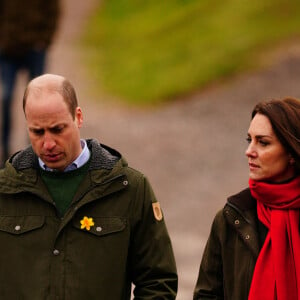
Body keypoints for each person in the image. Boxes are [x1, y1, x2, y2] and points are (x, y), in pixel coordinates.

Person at [0, 74, 178, 299]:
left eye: (57, 129)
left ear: (78, 117)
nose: (48, 144)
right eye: (37, 132)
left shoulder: (129, 188)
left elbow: (158, 282)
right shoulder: (5, 191)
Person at [193, 97, 300, 299]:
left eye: (263, 142)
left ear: (291, 152)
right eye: (249, 140)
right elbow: (206, 295)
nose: (249, 151)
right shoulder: (232, 217)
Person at [0, 0, 60, 165]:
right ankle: (4, 149)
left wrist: (44, 41)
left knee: (37, 101)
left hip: (35, 49)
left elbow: (53, 11)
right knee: (6, 97)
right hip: (8, 50)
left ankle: (36, 151)